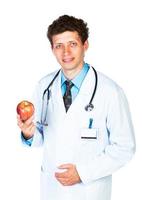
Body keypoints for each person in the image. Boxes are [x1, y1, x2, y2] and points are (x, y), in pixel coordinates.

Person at [17, 15, 136, 200]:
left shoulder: (110, 92)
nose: (66, 52)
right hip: (52, 189)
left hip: (89, 191)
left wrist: (83, 172)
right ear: (52, 49)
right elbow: (42, 136)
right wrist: (29, 133)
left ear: (85, 45)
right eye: (59, 46)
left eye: (72, 44)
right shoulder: (44, 86)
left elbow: (124, 147)